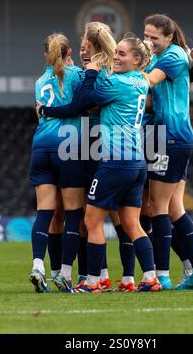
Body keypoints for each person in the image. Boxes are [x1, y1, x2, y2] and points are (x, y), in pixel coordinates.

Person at [38, 24, 138, 292]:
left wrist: (48, 110)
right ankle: (98, 274)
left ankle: (127, 276)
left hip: (105, 147)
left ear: (97, 48)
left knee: (116, 216)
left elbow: (82, 105)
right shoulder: (84, 75)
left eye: (87, 48)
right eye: (81, 50)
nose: (83, 53)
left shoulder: (106, 74)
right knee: (87, 216)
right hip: (82, 145)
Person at [77, 35, 161, 293]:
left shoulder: (118, 83)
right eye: (116, 52)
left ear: (137, 59)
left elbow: (86, 98)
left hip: (115, 161)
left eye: (122, 54)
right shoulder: (139, 80)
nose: (116, 57)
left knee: (92, 221)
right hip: (136, 163)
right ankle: (150, 278)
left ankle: (92, 283)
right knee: (132, 224)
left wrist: (92, 67)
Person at [143, 13, 193, 290]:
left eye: (153, 38)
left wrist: (122, 70)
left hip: (170, 137)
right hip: (170, 135)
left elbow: (147, 82)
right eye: (145, 36)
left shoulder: (171, 57)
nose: (148, 41)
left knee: (156, 207)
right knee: (173, 207)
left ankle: (161, 275)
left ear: (169, 37)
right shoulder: (169, 55)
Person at [29, 32, 85, 293]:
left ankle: (38, 266)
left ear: (45, 55)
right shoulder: (75, 75)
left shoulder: (39, 81)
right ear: (69, 52)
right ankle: (64, 274)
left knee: (45, 212)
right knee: (74, 213)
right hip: (68, 142)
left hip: (41, 144)